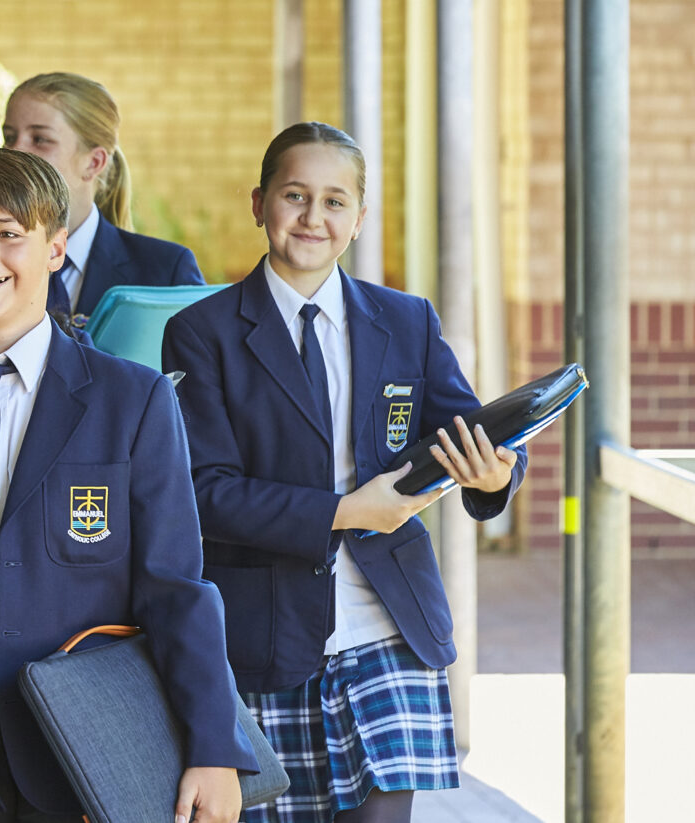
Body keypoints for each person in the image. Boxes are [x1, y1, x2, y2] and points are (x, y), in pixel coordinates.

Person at [0, 149, 254, 823]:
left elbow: (175, 587)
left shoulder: (132, 400)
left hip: (84, 742)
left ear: (55, 248)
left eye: (9, 233)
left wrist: (215, 746)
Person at [161, 122, 529, 823]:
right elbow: (202, 492)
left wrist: (494, 475)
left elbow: (467, 429)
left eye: (335, 201)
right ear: (259, 203)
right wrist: (342, 512)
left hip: (390, 628)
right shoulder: (201, 332)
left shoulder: (406, 321)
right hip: (267, 636)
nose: (312, 217)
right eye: (294, 195)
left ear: (359, 219)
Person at [2, 72, 204, 326]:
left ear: (94, 162)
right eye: (9, 137)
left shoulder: (164, 270)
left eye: (40, 139)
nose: (13, 152)